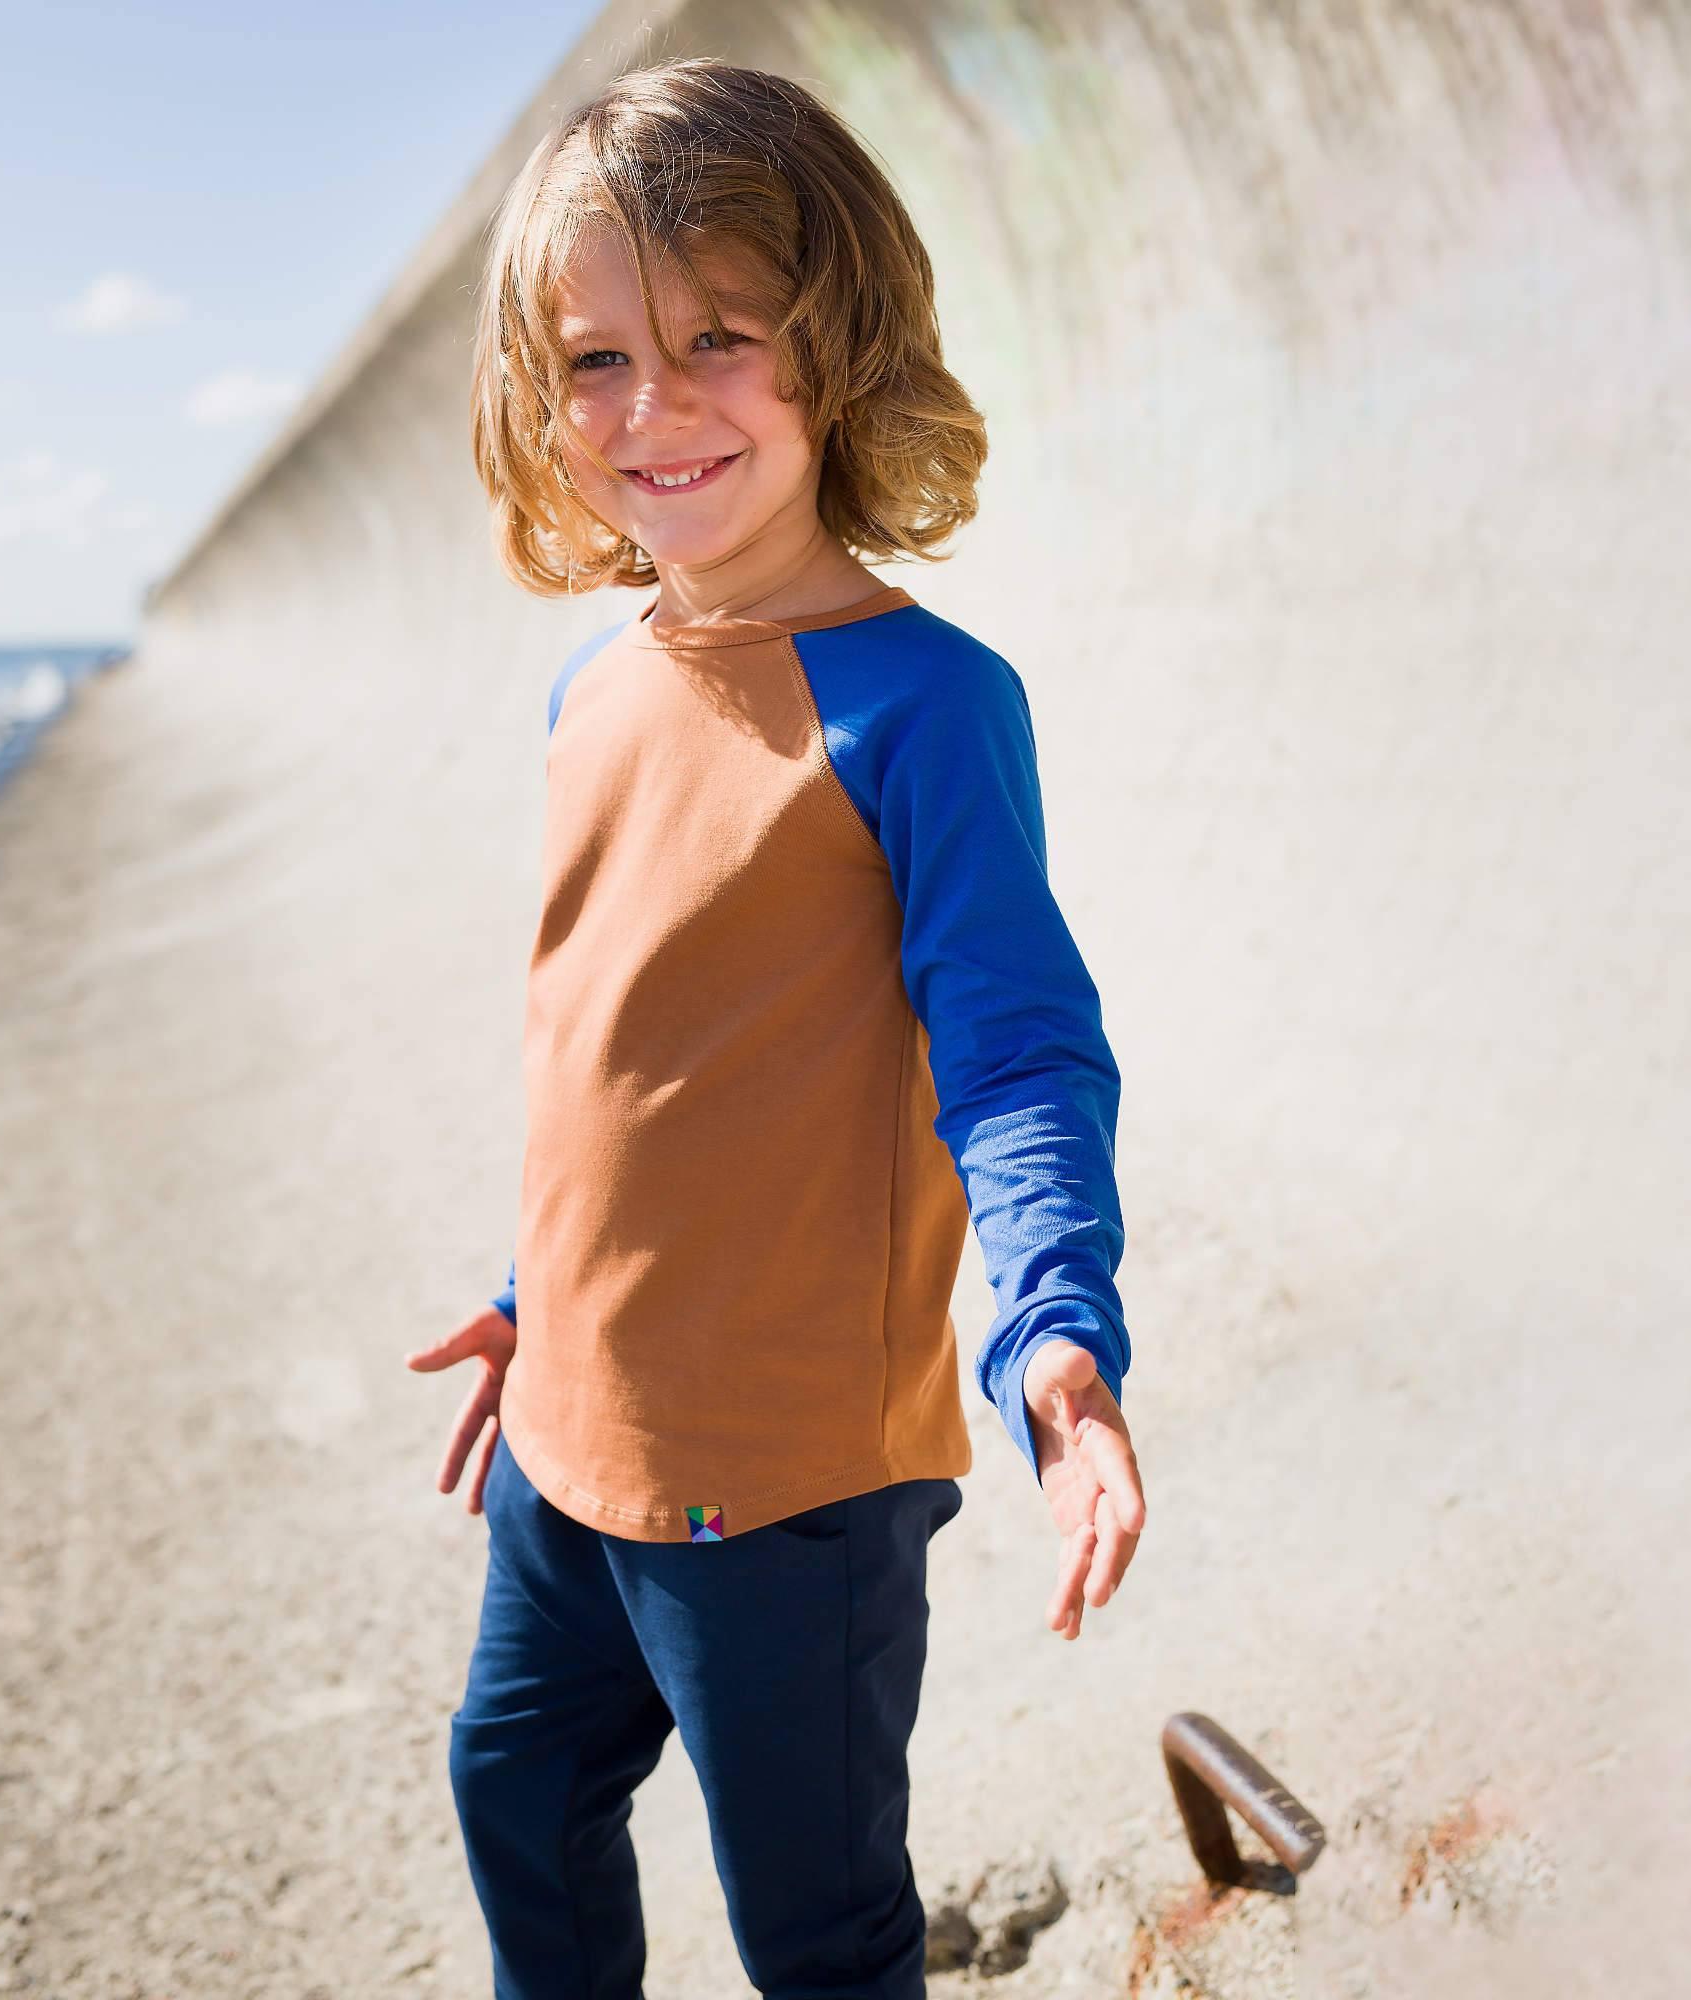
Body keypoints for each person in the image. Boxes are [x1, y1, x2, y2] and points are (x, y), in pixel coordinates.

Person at [405, 56, 1146, 2000]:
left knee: (812, 1923)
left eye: (717, 336)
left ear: (831, 348)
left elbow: (1018, 1054)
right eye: (589, 359)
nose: (649, 405)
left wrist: (1055, 1330)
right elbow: (620, 1061)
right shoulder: (592, 685)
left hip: (788, 1481)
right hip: (570, 1434)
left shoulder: (919, 706)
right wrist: (524, 1292)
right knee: (514, 1786)